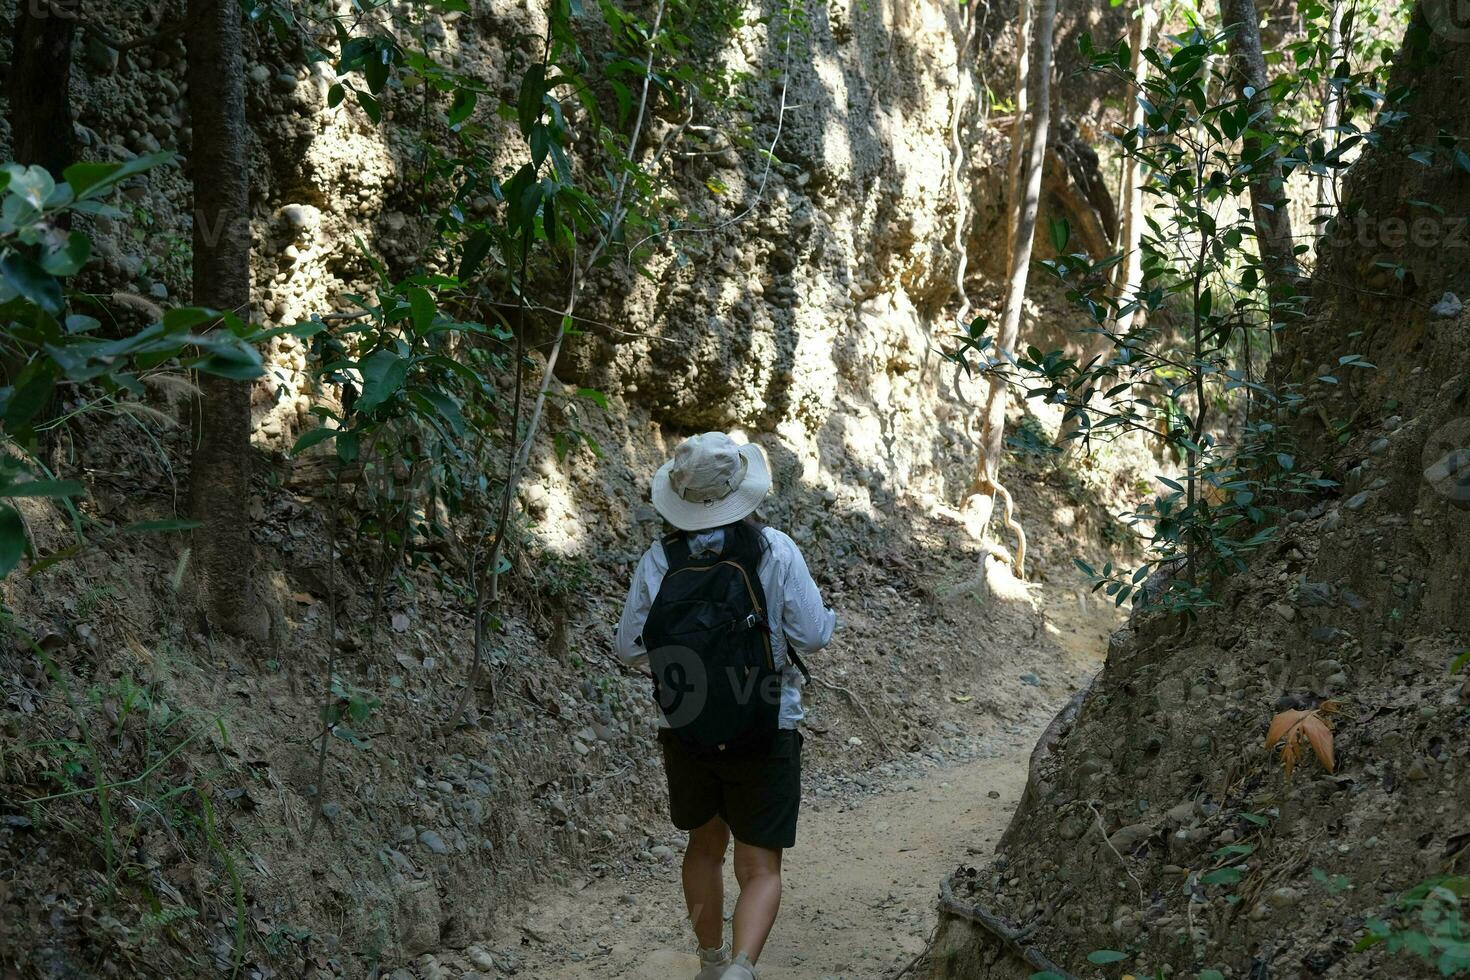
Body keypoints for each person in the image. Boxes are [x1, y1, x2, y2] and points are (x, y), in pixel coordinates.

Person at [617, 432, 836, 980]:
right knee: (759, 865)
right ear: (742, 490)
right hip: (766, 717)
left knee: (704, 845)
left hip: (686, 722)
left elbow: (628, 648)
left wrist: (691, 667)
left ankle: (711, 962)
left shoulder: (659, 558)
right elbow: (810, 636)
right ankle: (743, 967)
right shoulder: (774, 549)